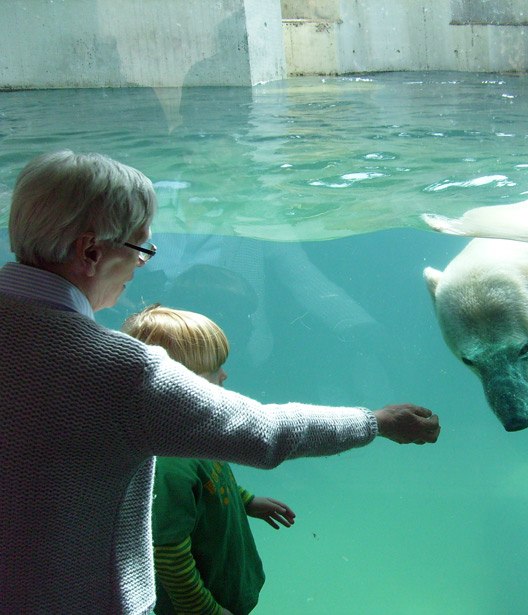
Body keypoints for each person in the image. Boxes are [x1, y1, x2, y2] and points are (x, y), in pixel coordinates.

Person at [0, 150, 440, 614]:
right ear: (91, 252)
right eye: (140, 249)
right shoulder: (119, 371)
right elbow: (266, 433)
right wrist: (375, 421)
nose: (142, 265)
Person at [122, 304, 294, 615]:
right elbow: (169, 554)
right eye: (215, 369)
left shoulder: (193, 433)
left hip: (222, 592)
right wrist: (206, 611)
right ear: (185, 383)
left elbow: (208, 483)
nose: (225, 375)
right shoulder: (169, 462)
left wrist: (247, 501)